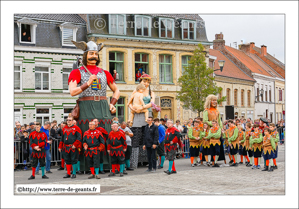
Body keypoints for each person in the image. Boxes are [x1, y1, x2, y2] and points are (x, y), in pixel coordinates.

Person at [69, 40, 120, 172]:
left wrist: (112, 103)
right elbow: (72, 92)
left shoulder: (104, 72)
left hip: (103, 105)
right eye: (91, 53)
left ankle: (107, 166)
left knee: (105, 134)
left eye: (96, 54)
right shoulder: (77, 72)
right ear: (85, 55)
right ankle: (85, 167)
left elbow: (117, 90)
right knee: (87, 135)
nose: (94, 56)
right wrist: (87, 83)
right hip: (86, 105)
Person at [128, 74, 155, 169]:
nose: (146, 84)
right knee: (136, 139)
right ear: (140, 82)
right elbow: (129, 102)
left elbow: (151, 103)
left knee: (148, 138)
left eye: (148, 82)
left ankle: (149, 161)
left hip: (146, 114)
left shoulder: (151, 92)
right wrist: (135, 109)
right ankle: (135, 162)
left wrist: (142, 107)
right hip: (137, 115)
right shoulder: (135, 91)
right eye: (144, 81)